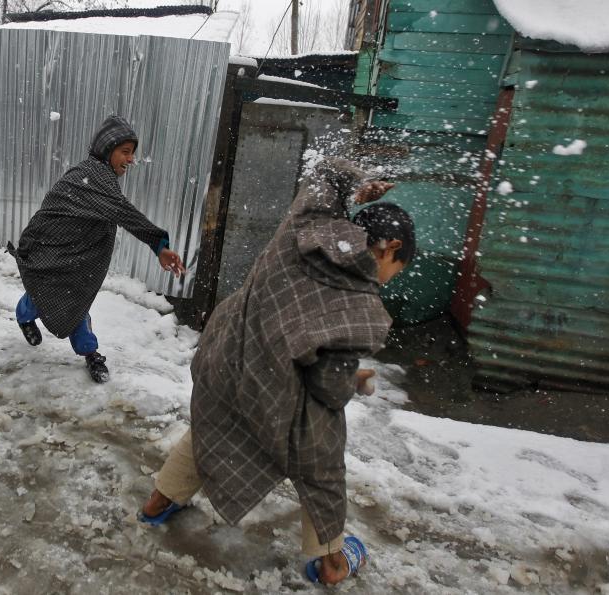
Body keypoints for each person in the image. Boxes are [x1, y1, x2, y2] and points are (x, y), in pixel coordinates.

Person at [139, 157, 415, 585]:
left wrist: (357, 185)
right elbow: (325, 385)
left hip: (225, 356)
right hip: (271, 388)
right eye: (396, 272)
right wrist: (353, 381)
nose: (390, 281)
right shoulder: (360, 305)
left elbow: (324, 177)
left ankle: (157, 504)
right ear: (391, 248)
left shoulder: (308, 225)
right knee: (321, 461)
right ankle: (333, 564)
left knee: (213, 427)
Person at [8, 115, 184, 383]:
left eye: (133, 154)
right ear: (107, 149)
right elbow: (117, 212)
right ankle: (30, 321)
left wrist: (158, 243)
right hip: (55, 252)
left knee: (73, 302)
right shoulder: (91, 177)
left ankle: (89, 351)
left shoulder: (97, 178)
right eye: (125, 152)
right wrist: (157, 242)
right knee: (44, 294)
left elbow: (111, 211)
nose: (131, 159)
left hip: (77, 260)